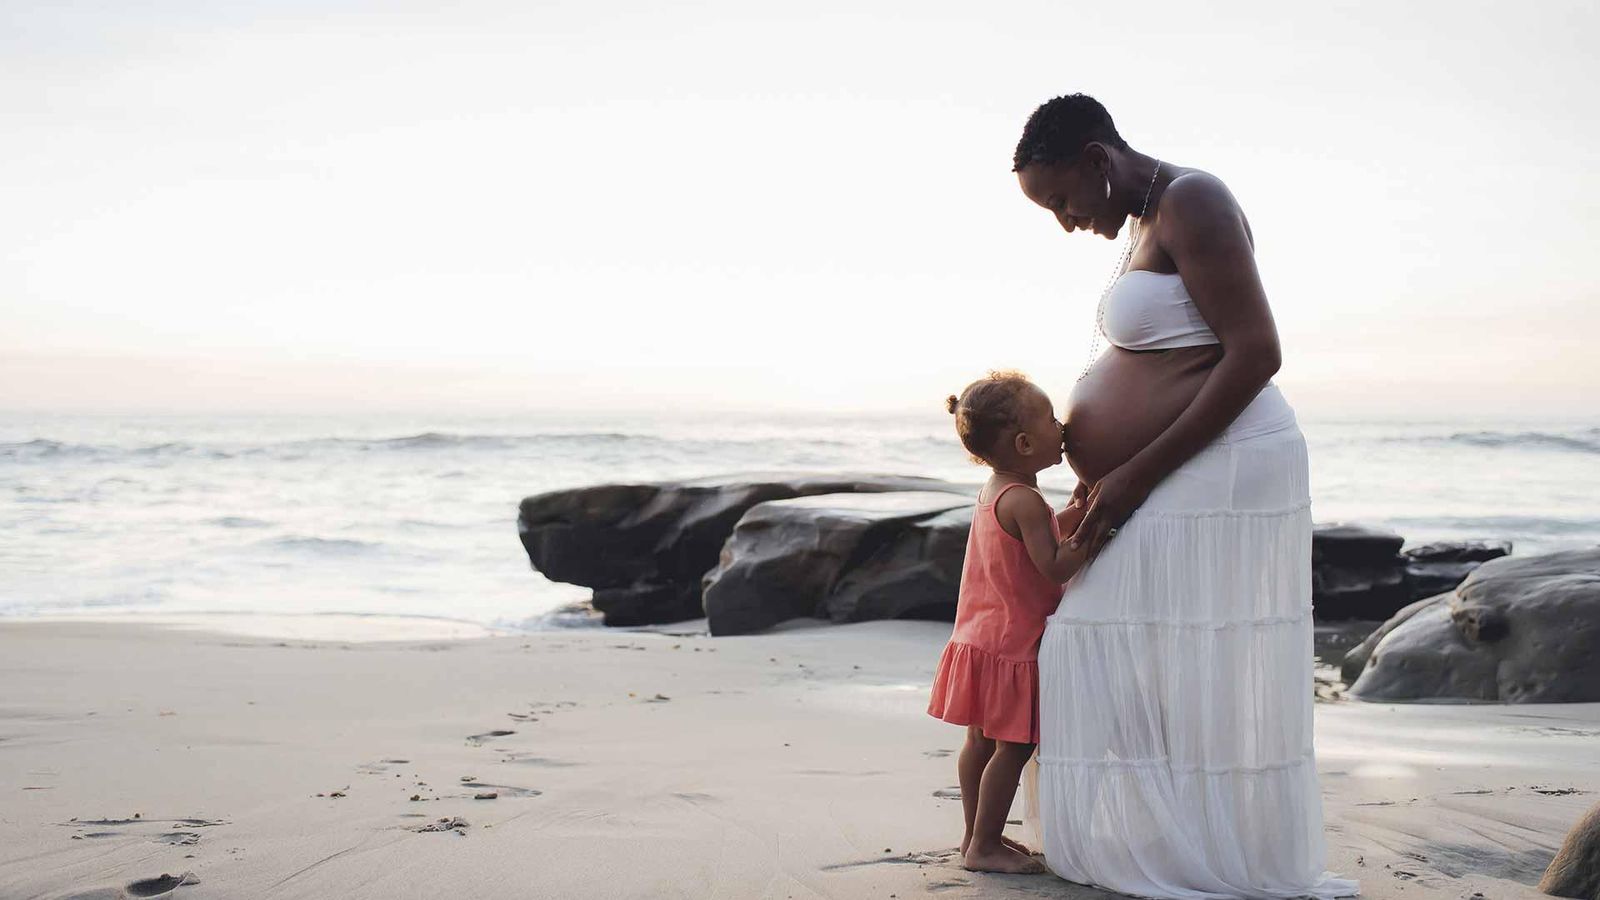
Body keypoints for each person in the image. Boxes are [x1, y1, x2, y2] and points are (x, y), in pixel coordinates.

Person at [1012, 94, 1358, 898]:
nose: (1065, 222)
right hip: (1186, 463)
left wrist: (1135, 472)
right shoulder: (1144, 219)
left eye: (1062, 199)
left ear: (1098, 160)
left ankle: (1202, 851)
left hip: (1230, 458)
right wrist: (1105, 468)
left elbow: (1256, 352)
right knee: (1134, 645)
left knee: (1125, 636)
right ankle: (1176, 838)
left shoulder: (1192, 199)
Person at [927, 370, 1090, 875]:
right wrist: (1099, 531)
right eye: (1050, 419)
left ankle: (976, 836)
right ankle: (985, 846)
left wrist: (1078, 508)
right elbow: (1056, 564)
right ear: (1024, 443)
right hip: (1015, 643)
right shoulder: (1023, 499)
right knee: (1014, 747)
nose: (1061, 426)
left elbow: (1035, 539)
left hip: (980, 637)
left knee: (978, 741)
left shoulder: (997, 490)